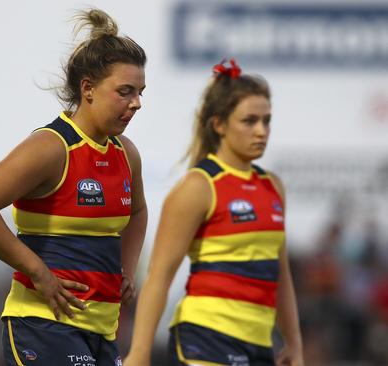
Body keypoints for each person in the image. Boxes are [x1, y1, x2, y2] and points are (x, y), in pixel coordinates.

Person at [0, 8, 147, 366]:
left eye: (139, 92)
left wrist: (128, 269)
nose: (136, 103)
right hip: (43, 327)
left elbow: (137, 210)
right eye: (125, 92)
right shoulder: (51, 147)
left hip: (102, 332)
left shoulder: (126, 153)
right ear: (87, 88)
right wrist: (37, 271)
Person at [124, 59, 303, 366]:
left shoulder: (273, 186)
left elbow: (280, 273)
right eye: (249, 121)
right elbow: (159, 275)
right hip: (206, 338)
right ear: (219, 124)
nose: (261, 131)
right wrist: (139, 353)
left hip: (260, 344)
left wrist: (295, 344)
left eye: (266, 120)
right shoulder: (198, 185)